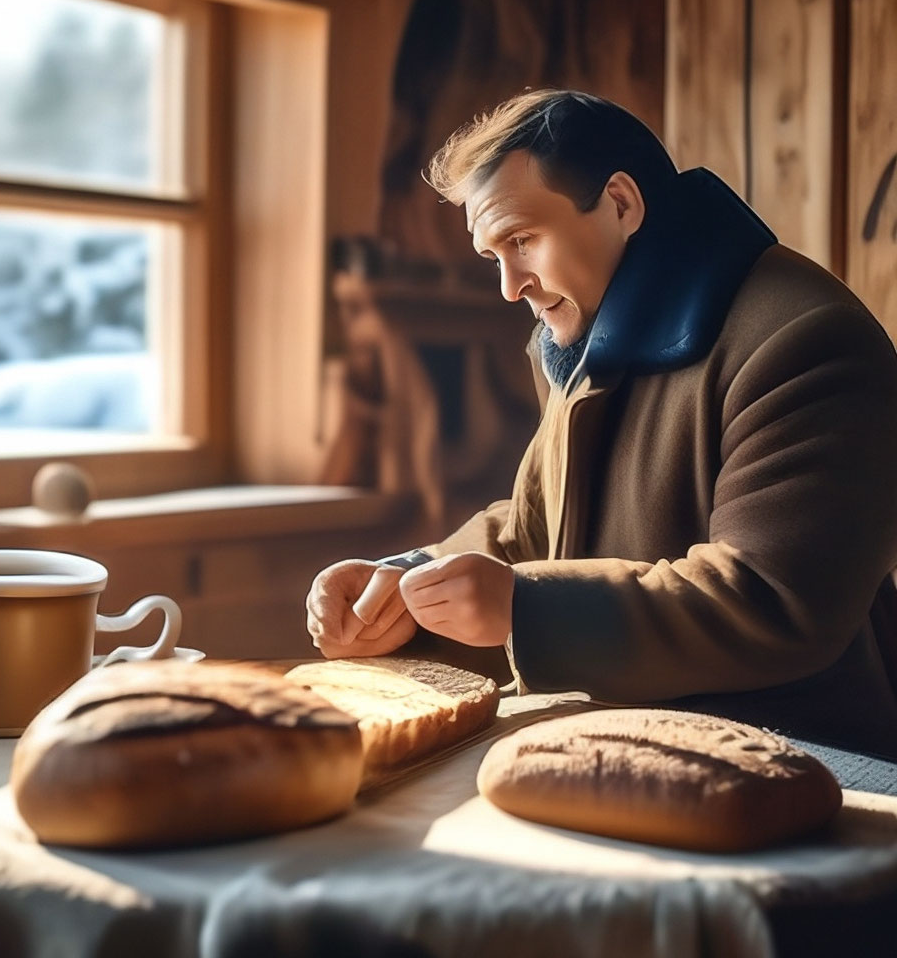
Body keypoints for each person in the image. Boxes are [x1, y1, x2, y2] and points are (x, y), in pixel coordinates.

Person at [305, 89, 897, 759]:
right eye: (492, 255)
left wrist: (525, 611)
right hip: (621, 741)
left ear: (621, 203)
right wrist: (403, 586)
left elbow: (774, 602)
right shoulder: (582, 339)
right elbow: (532, 528)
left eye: (522, 239)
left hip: (813, 764)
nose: (509, 286)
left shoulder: (807, 340)